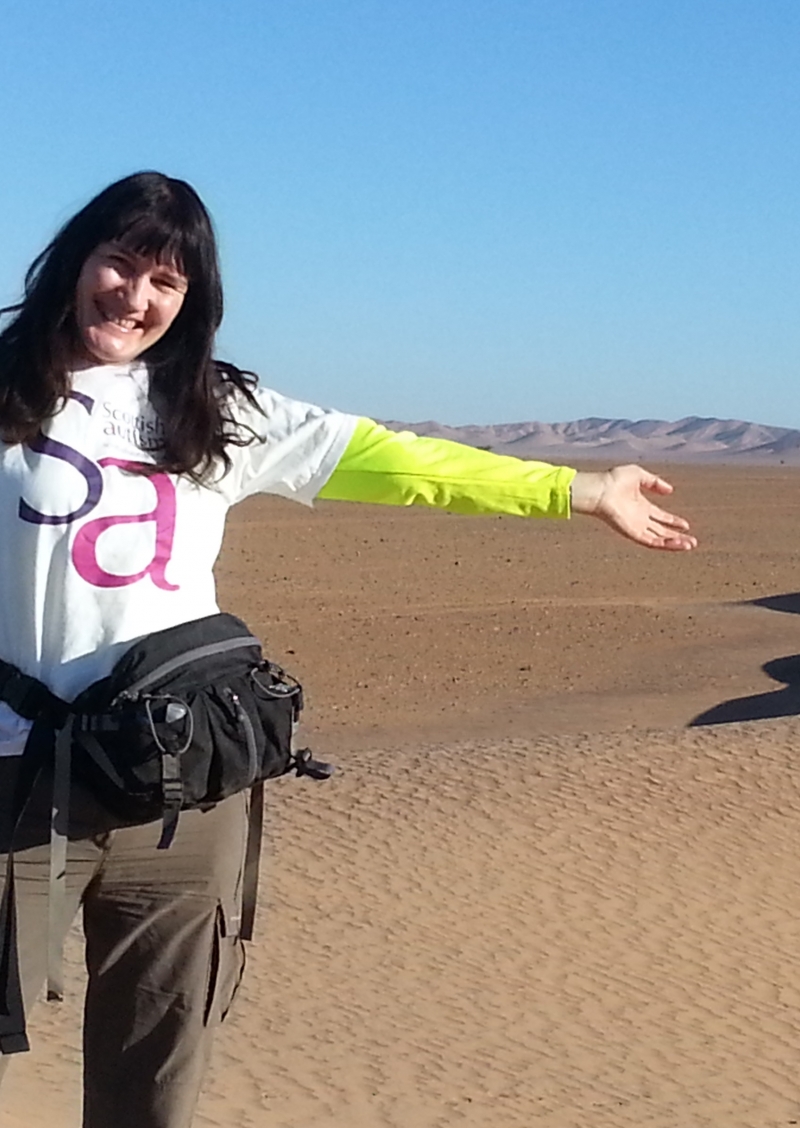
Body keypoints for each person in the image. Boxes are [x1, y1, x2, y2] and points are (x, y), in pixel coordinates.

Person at [0, 171, 696, 1128]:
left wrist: (579, 491)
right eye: (119, 263)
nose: (135, 295)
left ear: (192, 300)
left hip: (178, 788)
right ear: (75, 262)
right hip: (16, 776)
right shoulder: (6, 387)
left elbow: (403, 464)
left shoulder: (220, 409)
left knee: (154, 1076)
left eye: (167, 281)